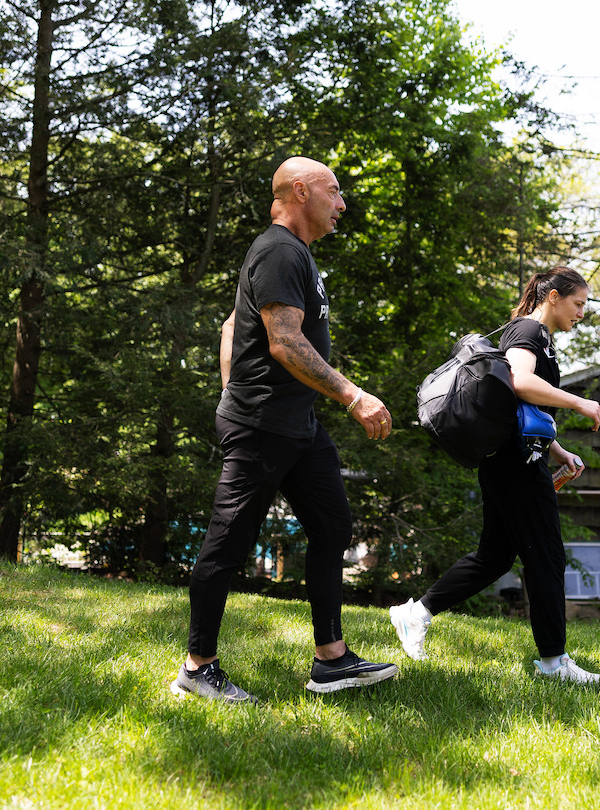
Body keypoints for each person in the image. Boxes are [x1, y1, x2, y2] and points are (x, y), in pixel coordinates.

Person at [173, 156, 399, 705]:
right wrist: (353, 395)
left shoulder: (296, 256)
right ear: (300, 191)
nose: (342, 203)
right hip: (263, 423)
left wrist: (230, 388)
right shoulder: (278, 249)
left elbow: (233, 324)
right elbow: (284, 341)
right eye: (335, 190)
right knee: (228, 541)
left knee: (331, 525)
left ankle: (331, 660)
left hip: (297, 423)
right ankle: (197, 667)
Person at [389, 267, 600, 683]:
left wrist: (557, 449)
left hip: (513, 457)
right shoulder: (529, 331)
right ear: (555, 297)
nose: (581, 313)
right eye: (578, 304)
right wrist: (579, 403)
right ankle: (552, 662)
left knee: (495, 557)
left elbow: (522, 410)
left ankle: (415, 613)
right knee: (545, 555)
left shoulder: (532, 334)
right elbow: (519, 381)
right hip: (516, 464)